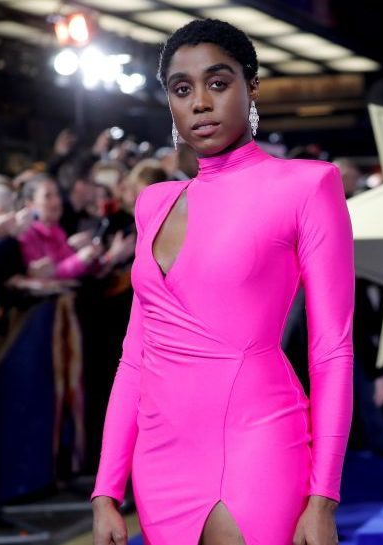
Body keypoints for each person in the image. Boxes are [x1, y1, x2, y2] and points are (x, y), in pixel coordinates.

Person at [91, 19, 354, 545]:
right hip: (162, 458)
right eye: (182, 89)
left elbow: (332, 351)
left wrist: (323, 498)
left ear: (250, 86)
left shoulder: (306, 186)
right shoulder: (153, 203)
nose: (201, 103)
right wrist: (105, 491)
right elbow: (135, 356)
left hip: (258, 440)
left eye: (218, 82)